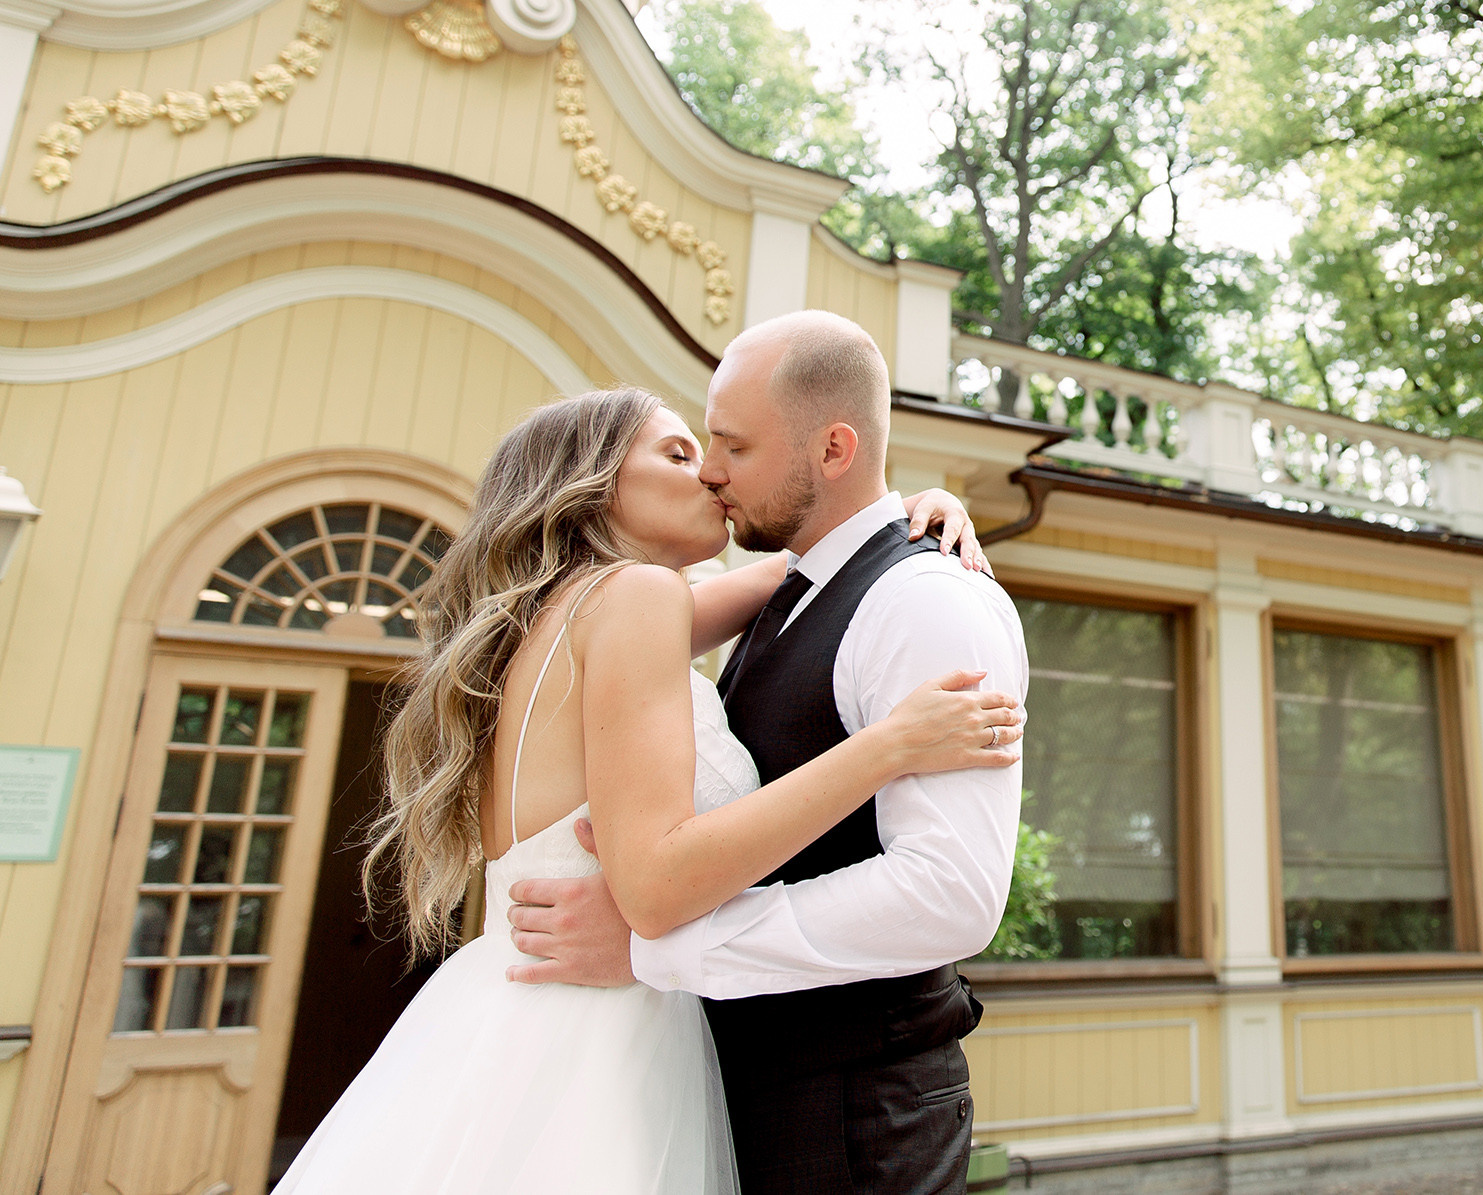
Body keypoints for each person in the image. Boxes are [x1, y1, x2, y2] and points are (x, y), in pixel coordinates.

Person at [273, 385, 1017, 1194]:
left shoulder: (554, 616)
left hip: (504, 1012)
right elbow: (657, 885)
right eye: (677, 452)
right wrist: (888, 745)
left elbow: (801, 567)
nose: (710, 475)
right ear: (592, 483)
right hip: (596, 1032)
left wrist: (896, 512)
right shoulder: (637, 597)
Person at [505, 311, 1029, 1195]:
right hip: (712, 1077)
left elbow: (947, 894)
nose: (711, 470)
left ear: (831, 449)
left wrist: (659, 949)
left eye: (732, 447)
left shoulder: (925, 599)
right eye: (691, 448)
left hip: (851, 1107)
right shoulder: (714, 597)